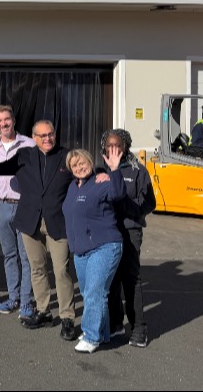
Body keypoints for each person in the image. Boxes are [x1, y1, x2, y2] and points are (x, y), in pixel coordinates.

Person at [0, 121, 81, 341]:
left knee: (61, 271)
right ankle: (44, 311)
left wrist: (103, 173)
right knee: (37, 269)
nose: (47, 139)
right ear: (34, 137)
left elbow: (86, 169)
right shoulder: (25, 155)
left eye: (51, 134)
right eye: (42, 135)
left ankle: (67, 318)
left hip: (58, 222)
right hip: (30, 221)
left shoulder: (66, 155)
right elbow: (0, 169)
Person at [62, 147, 126, 353]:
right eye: (75, 165)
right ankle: (103, 333)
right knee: (92, 292)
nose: (79, 167)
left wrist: (114, 170)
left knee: (94, 292)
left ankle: (91, 336)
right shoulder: (73, 187)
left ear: (90, 162)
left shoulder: (102, 181)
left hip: (104, 246)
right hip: (81, 250)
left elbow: (117, 194)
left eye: (82, 163)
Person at [100, 129, 156, 348]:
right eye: (109, 145)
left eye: (118, 145)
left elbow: (150, 203)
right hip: (107, 232)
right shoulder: (98, 169)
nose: (114, 149)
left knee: (131, 279)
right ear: (104, 147)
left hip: (130, 232)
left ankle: (139, 328)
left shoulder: (138, 171)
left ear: (126, 146)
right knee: (111, 279)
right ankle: (115, 323)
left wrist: (133, 212)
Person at [0, 105, 37, 319]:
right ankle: (13, 297)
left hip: (24, 204)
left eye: (6, 119)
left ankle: (26, 302)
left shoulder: (29, 144)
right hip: (1, 205)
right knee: (9, 255)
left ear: (13, 120)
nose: (3, 124)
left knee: (26, 256)